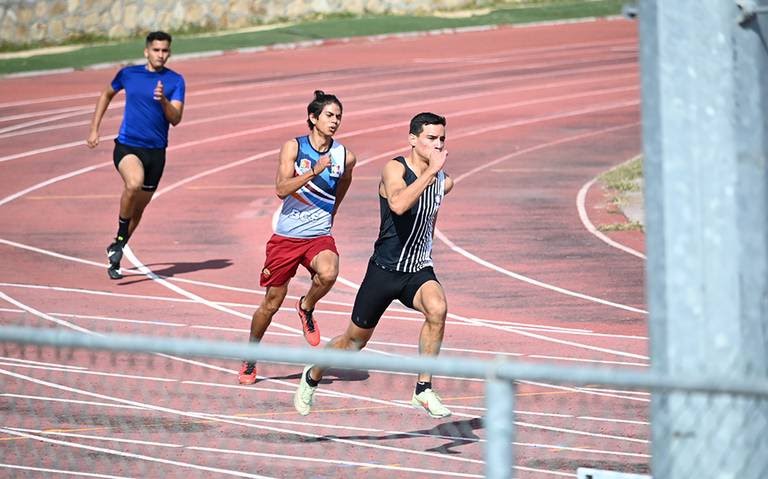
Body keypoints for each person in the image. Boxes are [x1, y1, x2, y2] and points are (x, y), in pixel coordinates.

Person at [293, 112, 454, 419]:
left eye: (442, 139)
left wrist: (435, 178)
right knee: (353, 344)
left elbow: (430, 215)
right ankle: (312, 374)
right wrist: (431, 173)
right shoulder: (395, 169)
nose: (438, 145)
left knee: (438, 308)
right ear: (413, 139)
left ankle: (423, 388)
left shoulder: (444, 182)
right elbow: (398, 204)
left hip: (417, 270)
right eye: (431, 138)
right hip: (384, 271)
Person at [238, 90, 357, 385]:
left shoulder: (345, 156)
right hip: (287, 238)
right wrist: (313, 172)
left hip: (318, 235)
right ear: (313, 118)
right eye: (329, 115)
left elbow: (345, 180)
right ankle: (250, 356)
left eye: (339, 116)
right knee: (271, 303)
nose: (335, 121)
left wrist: (333, 210)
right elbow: (281, 189)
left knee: (329, 273)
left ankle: (306, 306)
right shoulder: (294, 147)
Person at [86, 31, 186, 280]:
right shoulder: (128, 74)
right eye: (156, 50)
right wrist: (94, 129)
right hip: (128, 146)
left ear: (169, 52)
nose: (160, 55)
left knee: (139, 209)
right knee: (133, 183)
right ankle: (120, 241)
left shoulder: (175, 81)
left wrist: (163, 101)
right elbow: (106, 94)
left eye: (165, 50)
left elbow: (175, 119)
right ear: (146, 51)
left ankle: (117, 246)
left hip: (156, 153)